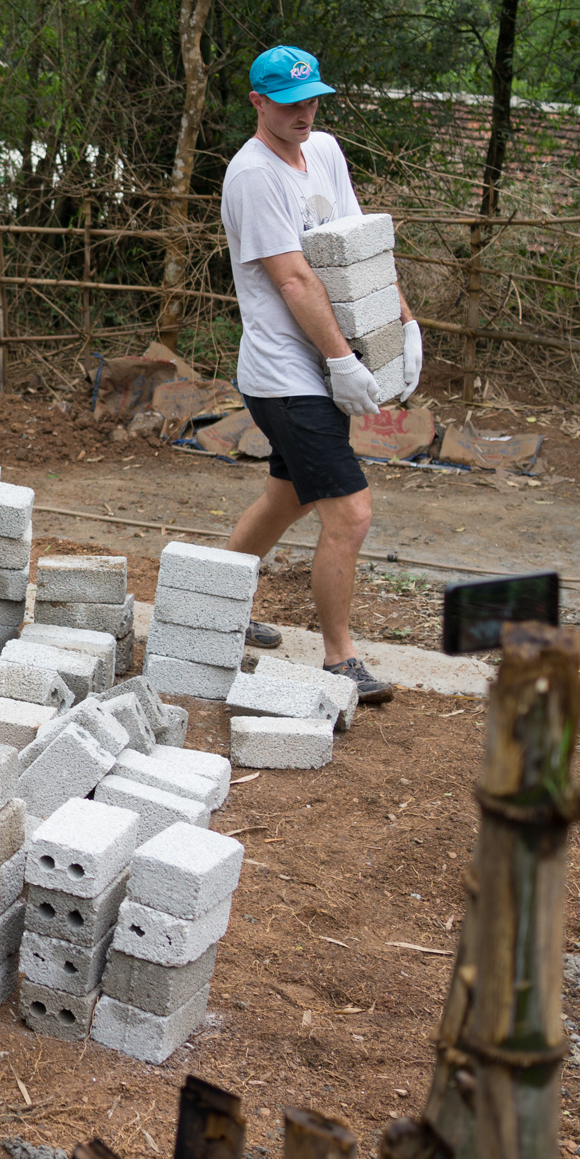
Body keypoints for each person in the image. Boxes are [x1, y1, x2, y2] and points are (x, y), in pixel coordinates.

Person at [217, 46, 419, 704]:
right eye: (288, 102)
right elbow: (295, 277)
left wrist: (398, 327)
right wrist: (340, 359)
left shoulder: (324, 151)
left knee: (290, 497)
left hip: (322, 366)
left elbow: (356, 249)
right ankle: (340, 659)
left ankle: (215, 603)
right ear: (258, 102)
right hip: (285, 371)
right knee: (351, 513)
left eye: (311, 100)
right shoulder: (252, 176)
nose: (303, 112)